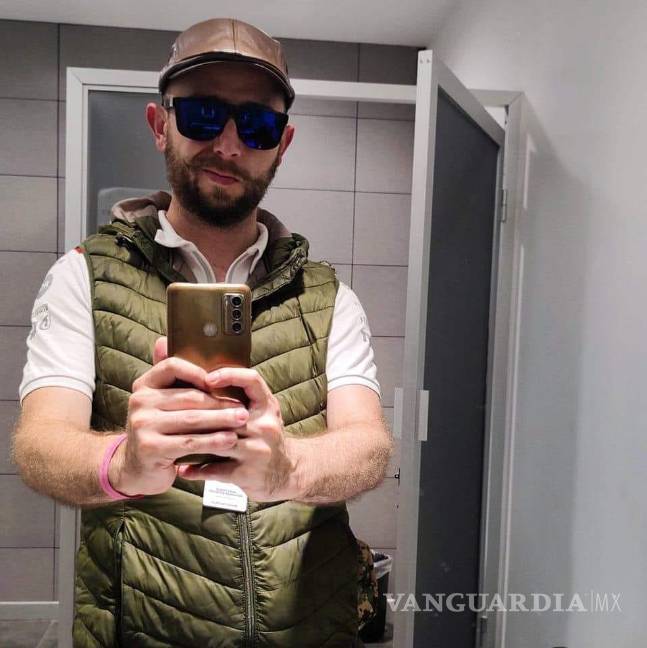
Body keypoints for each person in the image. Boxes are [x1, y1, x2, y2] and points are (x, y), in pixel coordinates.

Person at [13, 17, 392, 648]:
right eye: (203, 115)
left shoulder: (328, 296)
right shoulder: (84, 276)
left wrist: (288, 468)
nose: (229, 144)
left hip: (309, 629)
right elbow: (40, 444)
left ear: (283, 142)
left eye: (258, 124)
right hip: (142, 629)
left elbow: (369, 445)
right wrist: (124, 463)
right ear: (160, 124)